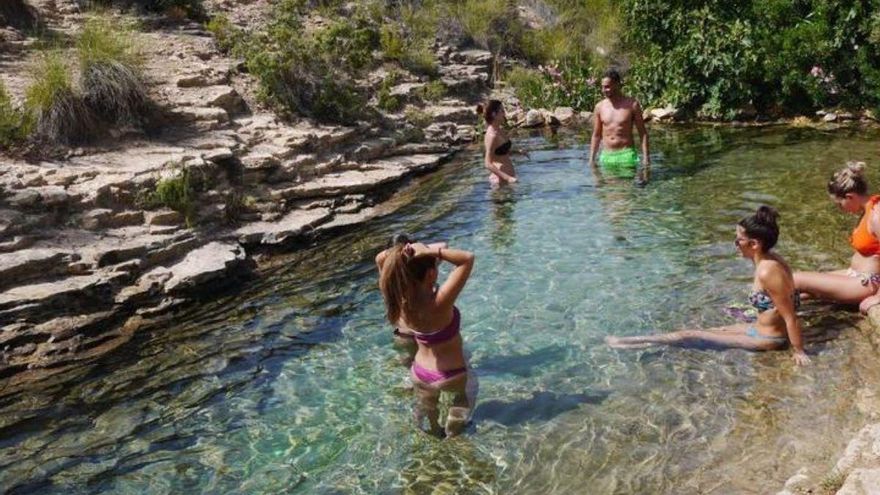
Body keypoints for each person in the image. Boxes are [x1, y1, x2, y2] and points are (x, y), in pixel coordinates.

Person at [606, 206, 811, 366]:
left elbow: (789, 315)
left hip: (768, 338)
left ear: (754, 244)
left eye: (738, 241)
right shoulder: (772, 260)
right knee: (708, 330)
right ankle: (636, 342)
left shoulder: (767, 271)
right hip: (759, 329)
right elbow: (786, 299)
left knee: (687, 335)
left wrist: (798, 351)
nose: (735, 245)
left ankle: (627, 342)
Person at [377, 239, 477, 436]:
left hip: (420, 373)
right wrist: (432, 250)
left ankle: (432, 431)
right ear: (432, 274)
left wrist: (403, 254)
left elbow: (380, 258)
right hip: (451, 374)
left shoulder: (399, 301)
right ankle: (453, 434)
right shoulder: (441, 301)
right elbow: (467, 259)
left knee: (429, 408)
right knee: (466, 395)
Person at [794, 162, 880, 313]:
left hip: (866, 283)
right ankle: (760, 313)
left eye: (839, 204)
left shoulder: (877, 216)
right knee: (801, 292)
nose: (840, 209)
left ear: (850, 197)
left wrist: (878, 297)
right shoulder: (870, 209)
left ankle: (767, 323)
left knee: (795, 279)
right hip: (856, 276)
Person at [587, 68, 651, 182]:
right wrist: (591, 159)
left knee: (626, 193)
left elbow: (643, 134)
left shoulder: (632, 105)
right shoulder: (599, 107)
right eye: (602, 87)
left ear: (617, 84)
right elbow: (596, 135)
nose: (604, 90)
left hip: (626, 155)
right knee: (609, 195)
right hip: (606, 157)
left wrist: (646, 159)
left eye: (607, 86)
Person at [479, 100, 527, 187]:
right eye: (502, 111)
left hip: (508, 179)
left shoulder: (500, 130)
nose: (504, 113)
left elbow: (500, 153)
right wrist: (508, 178)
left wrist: (517, 152)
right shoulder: (491, 135)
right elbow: (487, 163)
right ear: (494, 114)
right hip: (500, 183)